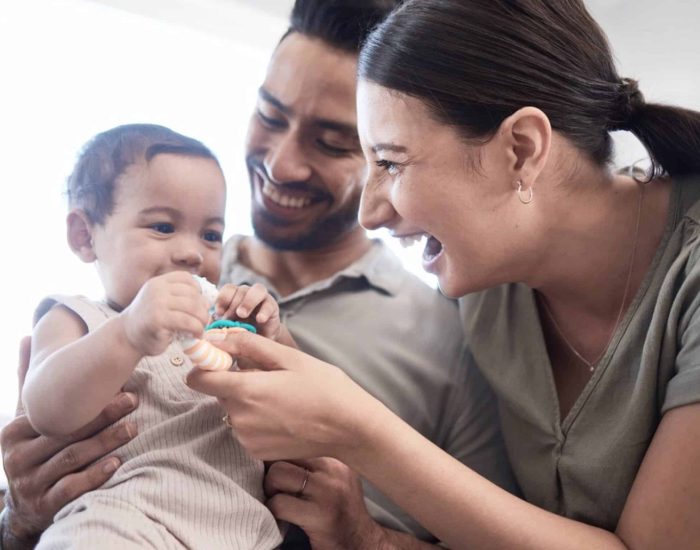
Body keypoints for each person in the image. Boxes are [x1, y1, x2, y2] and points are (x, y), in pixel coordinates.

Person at [185, 0, 700, 548]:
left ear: (521, 150)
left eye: (391, 163)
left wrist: (358, 429)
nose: (370, 214)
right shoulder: (484, 290)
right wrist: (363, 536)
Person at [0, 1, 516, 549]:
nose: (282, 165)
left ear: (385, 156)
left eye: (333, 142)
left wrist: (364, 537)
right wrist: (20, 518)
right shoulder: (134, 282)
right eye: (271, 116)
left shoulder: (450, 338)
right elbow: (45, 439)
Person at [19, 123, 288, 549]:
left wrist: (273, 339)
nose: (192, 252)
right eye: (163, 227)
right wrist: (127, 334)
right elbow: (47, 411)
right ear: (84, 235)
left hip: (246, 532)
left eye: (211, 235)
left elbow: (296, 406)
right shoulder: (78, 318)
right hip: (125, 521)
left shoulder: (222, 330)